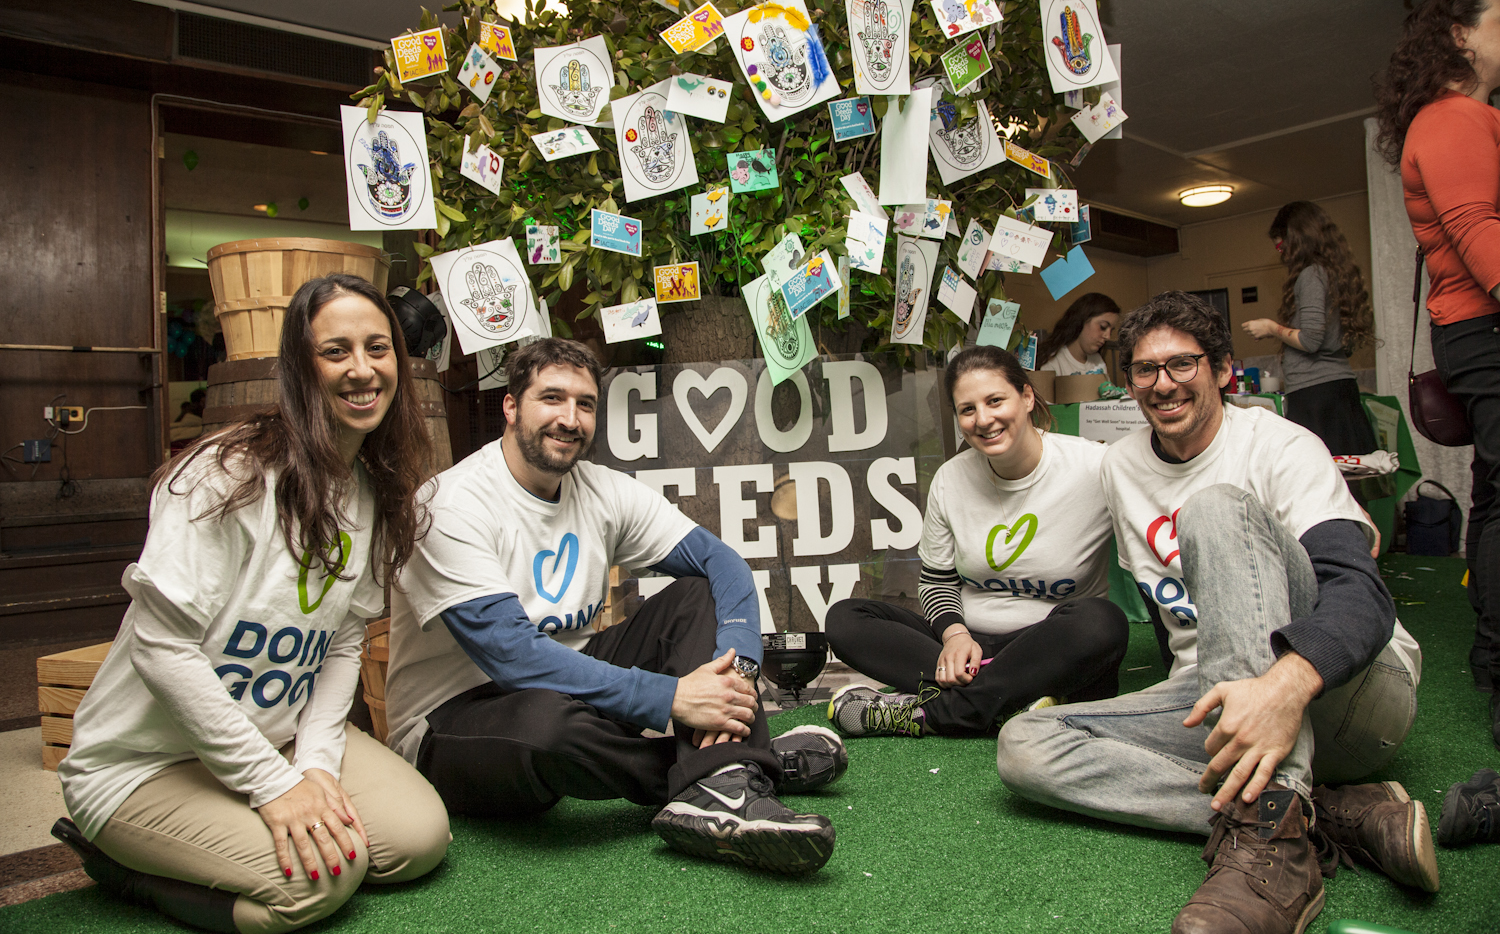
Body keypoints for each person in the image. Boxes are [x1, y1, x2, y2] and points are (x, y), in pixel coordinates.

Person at [996, 292, 1431, 934]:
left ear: (1223, 370)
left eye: (1182, 364)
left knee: (1215, 507)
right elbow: (1171, 608)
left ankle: (1272, 850)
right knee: (1025, 746)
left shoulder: (1281, 445)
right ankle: (1317, 811)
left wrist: (1283, 686)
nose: (1162, 384)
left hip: (1349, 695)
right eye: (1144, 369)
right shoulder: (1121, 465)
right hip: (1217, 701)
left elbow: (1361, 596)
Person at [51, 274, 452, 934]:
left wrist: (314, 765)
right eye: (336, 351)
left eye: (378, 349)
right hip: (144, 764)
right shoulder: (224, 472)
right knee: (321, 884)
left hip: (278, 732)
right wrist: (273, 784)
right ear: (298, 366)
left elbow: (342, 643)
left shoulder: (372, 488)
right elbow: (161, 647)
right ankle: (119, 866)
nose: (362, 370)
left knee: (416, 841)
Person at [384, 337, 845, 875]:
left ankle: (726, 774)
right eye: (551, 398)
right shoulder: (450, 504)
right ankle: (738, 769)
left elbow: (723, 565)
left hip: (576, 683)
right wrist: (672, 697)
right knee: (546, 726)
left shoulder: (601, 490)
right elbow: (514, 656)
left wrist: (740, 675)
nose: (570, 418)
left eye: (585, 404)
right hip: (456, 719)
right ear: (510, 407)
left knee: (696, 593)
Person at [823, 345, 1128, 738]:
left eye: (995, 400)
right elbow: (937, 581)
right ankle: (1011, 700)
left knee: (1102, 623)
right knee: (845, 620)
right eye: (968, 410)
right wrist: (955, 636)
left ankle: (936, 712)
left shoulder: (1095, 467)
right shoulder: (951, 479)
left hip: (1049, 645)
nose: (983, 419)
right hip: (968, 648)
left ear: (1028, 396)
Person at [1376, 0, 1500, 739]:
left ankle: (1491, 653)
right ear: (1461, 35)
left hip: (1474, 330)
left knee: (1492, 498)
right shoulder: (1454, 117)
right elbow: (1477, 228)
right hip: (1486, 328)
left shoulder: (1462, 116)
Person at [1242, 201, 1376, 455]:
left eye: (1281, 245)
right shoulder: (1333, 272)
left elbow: (1311, 340)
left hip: (1317, 394)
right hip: (1338, 387)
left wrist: (1271, 327)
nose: (1281, 253)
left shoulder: (1311, 276)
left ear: (1297, 239)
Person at [1035, 292, 1121, 376]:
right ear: (1082, 320)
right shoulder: (1053, 362)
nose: (1108, 336)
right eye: (1103, 327)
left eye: (1111, 331)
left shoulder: (1098, 361)